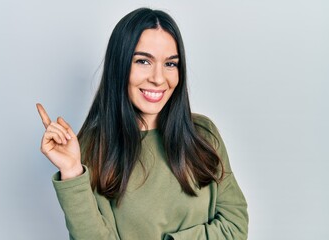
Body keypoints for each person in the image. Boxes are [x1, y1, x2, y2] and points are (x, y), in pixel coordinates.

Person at [37, 7, 248, 240]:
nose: (158, 78)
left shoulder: (204, 134)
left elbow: (235, 226)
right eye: (143, 61)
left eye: (170, 64)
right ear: (120, 65)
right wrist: (72, 172)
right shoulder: (93, 147)